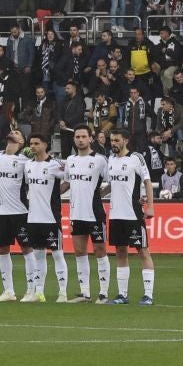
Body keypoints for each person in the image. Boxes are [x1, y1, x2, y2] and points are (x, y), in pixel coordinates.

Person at [104, 130, 156, 305]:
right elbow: (112, 184)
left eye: (117, 140)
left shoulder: (136, 158)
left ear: (125, 140)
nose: (113, 143)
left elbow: (147, 181)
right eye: (111, 140)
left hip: (132, 213)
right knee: (120, 252)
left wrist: (150, 206)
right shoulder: (110, 160)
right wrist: (97, 194)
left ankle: (148, 295)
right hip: (115, 214)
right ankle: (122, 295)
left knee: (142, 251)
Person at [62, 126, 111, 304]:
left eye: (84, 136)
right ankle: (85, 293)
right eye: (77, 136)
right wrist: (51, 195)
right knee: (79, 251)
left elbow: (112, 182)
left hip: (95, 212)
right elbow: (67, 183)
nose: (80, 139)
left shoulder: (100, 160)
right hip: (75, 213)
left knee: (100, 250)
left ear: (90, 139)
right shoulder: (70, 160)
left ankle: (104, 293)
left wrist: (99, 195)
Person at [21, 134, 68, 304]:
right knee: (39, 255)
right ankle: (39, 293)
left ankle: (62, 293)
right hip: (33, 217)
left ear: (45, 145)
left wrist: (57, 193)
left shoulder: (55, 164)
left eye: (36, 143)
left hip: (50, 218)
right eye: (31, 143)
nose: (32, 146)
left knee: (57, 254)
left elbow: (68, 179)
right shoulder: (28, 165)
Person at [0, 129, 29, 302]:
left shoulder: (25, 162)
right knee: (3, 249)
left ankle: (32, 290)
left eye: (18, 133)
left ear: (22, 142)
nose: (13, 132)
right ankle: (8, 291)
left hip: (20, 211)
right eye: (12, 130)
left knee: (27, 249)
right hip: (1, 212)